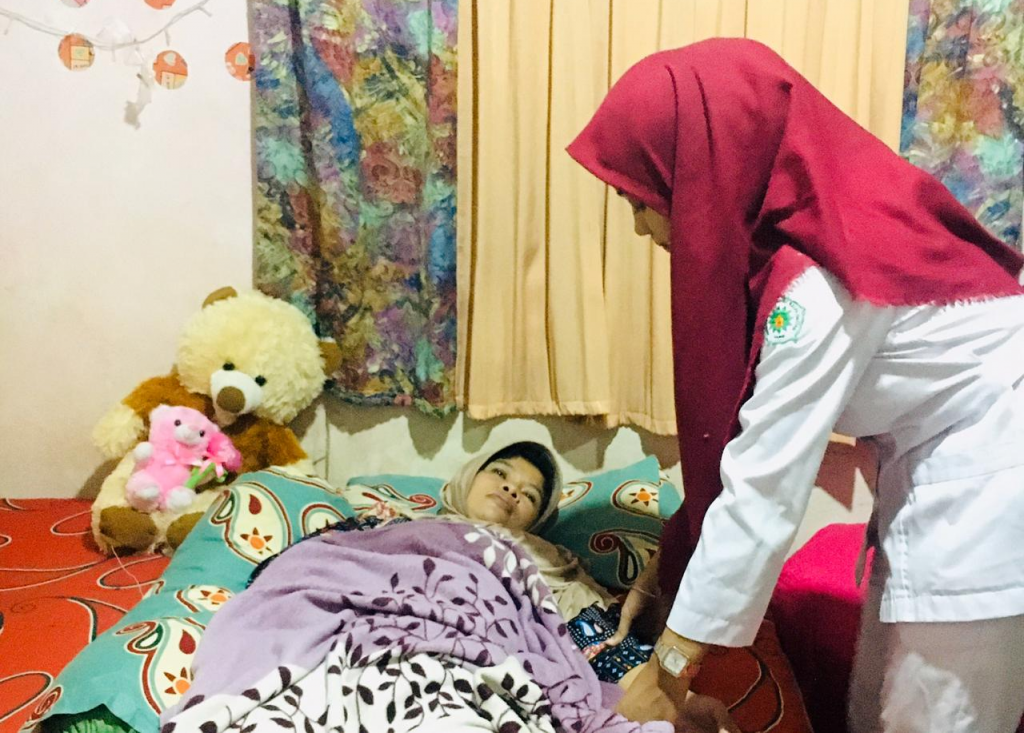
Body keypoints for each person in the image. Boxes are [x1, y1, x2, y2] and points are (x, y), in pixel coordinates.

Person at [567, 38, 1024, 733]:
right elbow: (743, 450)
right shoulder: (816, 230)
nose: (639, 225)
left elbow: (762, 490)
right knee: (874, 700)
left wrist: (665, 676)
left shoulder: (816, 284)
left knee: (933, 714)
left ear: (706, 171)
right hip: (945, 462)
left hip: (991, 485)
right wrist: (675, 566)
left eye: (644, 197)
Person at [163, 441, 738, 733]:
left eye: (530, 495)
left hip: (478, 652)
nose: (512, 490)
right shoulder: (384, 527)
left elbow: (594, 641)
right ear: (467, 479)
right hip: (363, 636)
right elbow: (304, 574)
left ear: (539, 519)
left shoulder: (549, 563)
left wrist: (673, 699)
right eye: (501, 474)